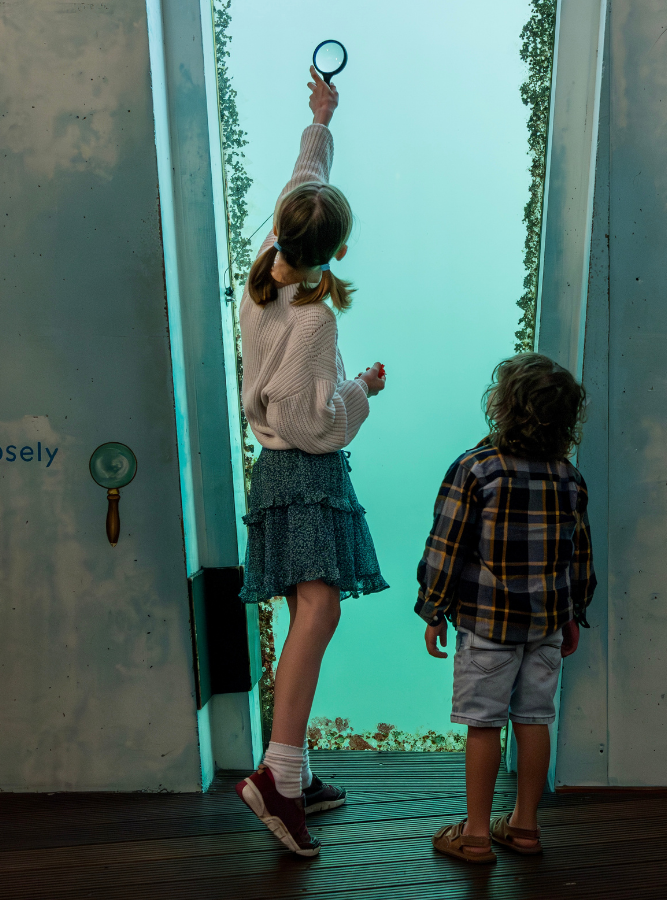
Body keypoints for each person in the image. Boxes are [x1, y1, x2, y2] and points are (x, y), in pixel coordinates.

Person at [234, 66, 389, 858]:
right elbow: (312, 422)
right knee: (320, 614)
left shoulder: (268, 264)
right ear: (339, 249)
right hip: (303, 471)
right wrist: (360, 390)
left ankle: (293, 771)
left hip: (275, 477)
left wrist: (321, 117)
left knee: (308, 615)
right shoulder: (314, 318)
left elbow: (306, 178)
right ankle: (278, 779)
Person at [415, 352, 596, 864]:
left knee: (484, 725)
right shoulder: (570, 478)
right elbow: (578, 555)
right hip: (545, 628)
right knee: (535, 720)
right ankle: (524, 826)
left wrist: (432, 610)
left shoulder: (476, 469)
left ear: (502, 407)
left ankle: (474, 835)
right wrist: (573, 613)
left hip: (487, 627)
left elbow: (445, 547)